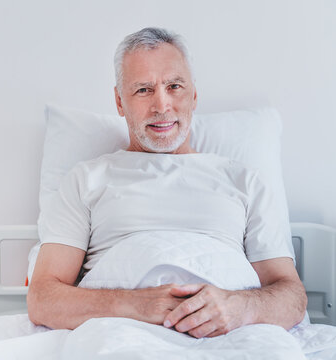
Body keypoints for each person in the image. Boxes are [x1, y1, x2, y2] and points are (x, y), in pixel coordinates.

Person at [27, 27, 307, 339]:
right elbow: (43, 299)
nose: (162, 106)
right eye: (143, 90)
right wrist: (138, 305)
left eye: (174, 86)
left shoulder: (243, 181)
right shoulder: (86, 180)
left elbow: (292, 297)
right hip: (121, 337)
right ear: (120, 101)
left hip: (231, 338)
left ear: (194, 95)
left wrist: (239, 307)